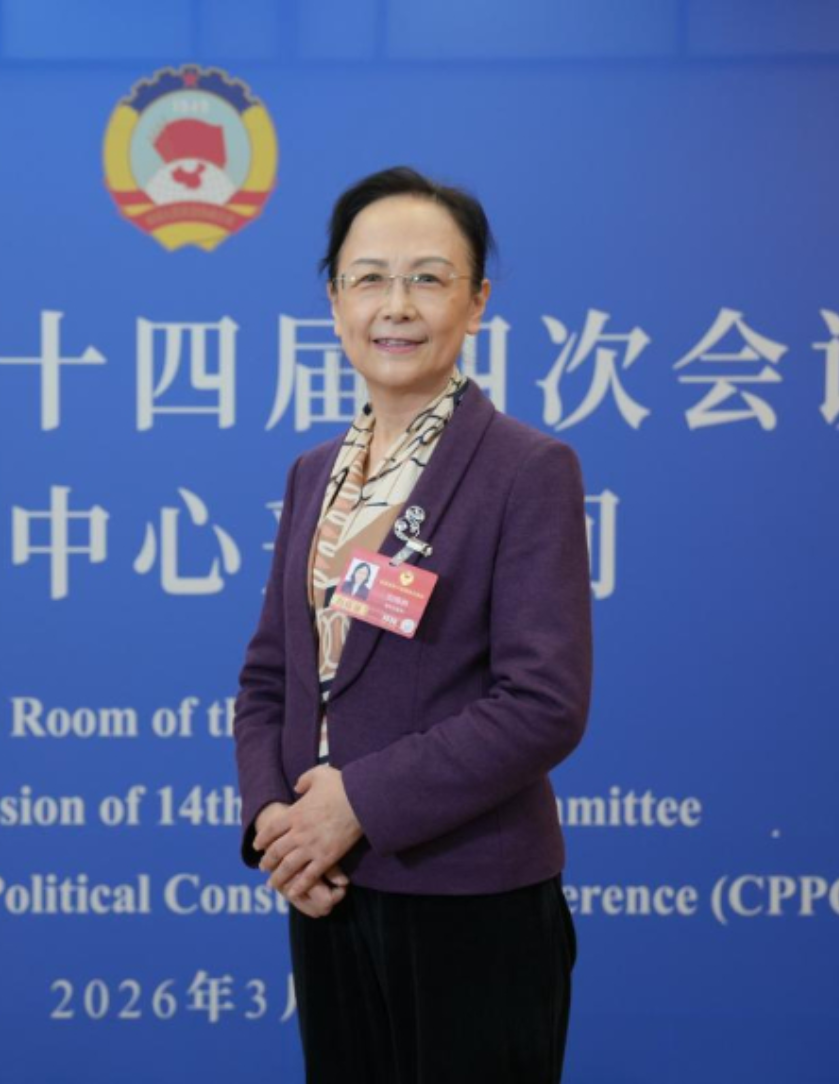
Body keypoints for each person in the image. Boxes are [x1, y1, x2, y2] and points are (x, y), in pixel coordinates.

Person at [233, 166, 593, 1084]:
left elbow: (543, 703)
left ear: (476, 303)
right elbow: (270, 677)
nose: (396, 305)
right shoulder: (314, 473)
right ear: (334, 300)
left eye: (428, 278)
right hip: (329, 892)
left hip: (469, 895)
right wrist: (279, 823)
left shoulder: (527, 469)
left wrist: (355, 803)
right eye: (369, 278)